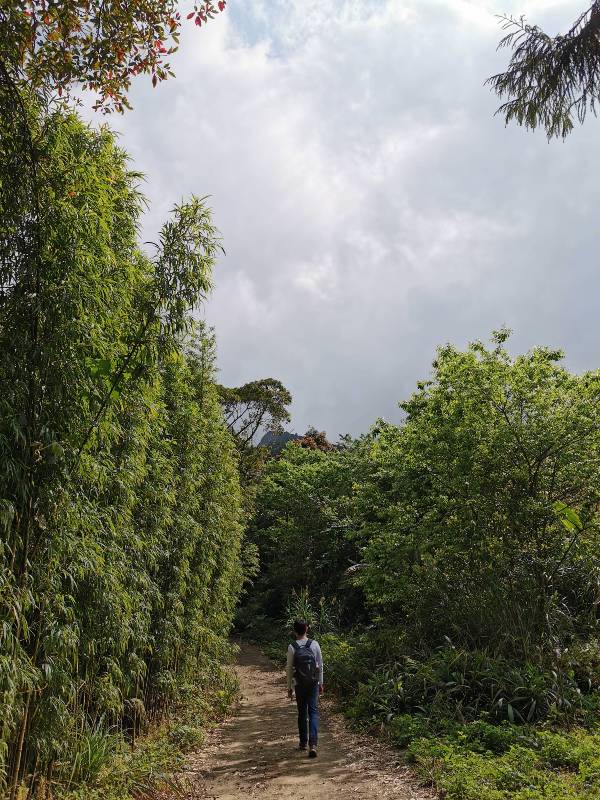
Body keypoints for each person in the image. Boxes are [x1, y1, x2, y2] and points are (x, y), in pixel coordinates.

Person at [286, 619, 324, 758]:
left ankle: (303, 742)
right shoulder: (314, 644)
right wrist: (321, 683)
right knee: (313, 712)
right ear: (307, 629)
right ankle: (313, 744)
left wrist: (289, 687)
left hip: (299, 684)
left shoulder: (292, 647)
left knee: (302, 712)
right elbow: (320, 665)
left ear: (295, 631)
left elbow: (289, 668)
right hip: (313, 683)